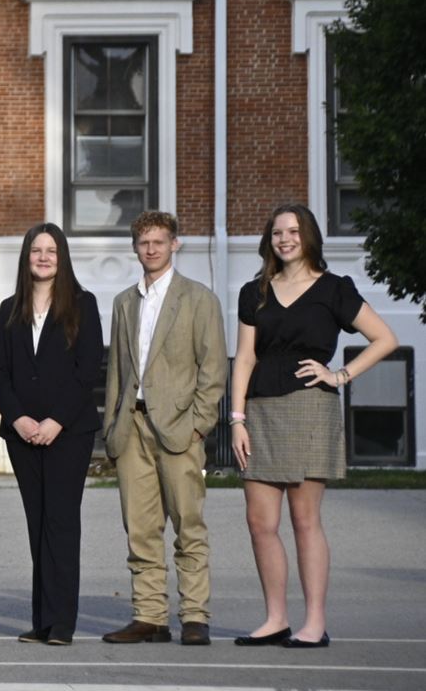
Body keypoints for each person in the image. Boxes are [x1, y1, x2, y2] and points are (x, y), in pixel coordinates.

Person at [230, 204, 397, 649]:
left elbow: (385, 339)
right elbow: (245, 358)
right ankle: (275, 619)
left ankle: (314, 623)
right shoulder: (255, 292)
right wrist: (236, 418)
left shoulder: (334, 289)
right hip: (260, 411)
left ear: (309, 237)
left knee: (305, 520)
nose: (285, 238)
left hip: (309, 408)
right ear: (270, 240)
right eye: (278, 232)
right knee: (259, 521)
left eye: (293, 231)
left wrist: (339, 375)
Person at [102, 211, 227, 647]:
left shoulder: (199, 299)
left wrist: (198, 427)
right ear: (135, 247)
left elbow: (213, 370)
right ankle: (150, 616)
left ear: (175, 244)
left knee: (188, 524)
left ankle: (195, 616)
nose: (151, 249)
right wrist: (111, 430)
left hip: (178, 429)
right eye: (143, 243)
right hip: (131, 427)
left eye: (159, 242)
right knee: (140, 526)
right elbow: (117, 371)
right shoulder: (123, 302)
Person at [0, 223, 103, 646]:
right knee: (37, 523)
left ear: (62, 257)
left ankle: (62, 624)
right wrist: (17, 418)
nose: (43, 257)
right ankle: (41, 621)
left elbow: (88, 369)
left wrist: (56, 420)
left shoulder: (83, 305)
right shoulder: (8, 309)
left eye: (51, 250)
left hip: (67, 433)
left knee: (61, 522)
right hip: (23, 434)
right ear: (26, 257)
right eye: (36, 250)